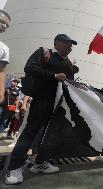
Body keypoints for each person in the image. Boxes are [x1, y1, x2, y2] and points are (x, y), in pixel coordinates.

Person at [5, 34, 78, 185]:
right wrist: (54, 76)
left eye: (71, 45)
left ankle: (41, 163)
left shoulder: (69, 63)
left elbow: (69, 84)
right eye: (67, 44)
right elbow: (29, 68)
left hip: (58, 106)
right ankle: (14, 168)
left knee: (49, 135)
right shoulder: (44, 53)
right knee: (30, 133)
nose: (70, 47)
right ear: (57, 43)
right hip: (42, 101)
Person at [0, 10, 11, 134]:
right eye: (2, 22)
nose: (4, 26)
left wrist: (1, 93)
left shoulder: (4, 48)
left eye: (6, 25)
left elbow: (2, 71)